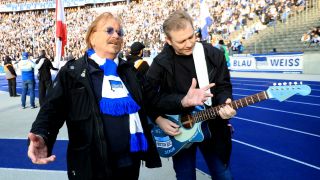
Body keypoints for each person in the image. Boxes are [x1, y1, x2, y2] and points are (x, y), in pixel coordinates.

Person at [27, 12, 161, 180]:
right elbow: (51, 112)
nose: (116, 36)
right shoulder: (72, 73)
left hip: (128, 165)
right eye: (109, 30)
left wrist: (183, 100)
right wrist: (42, 135)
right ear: (92, 37)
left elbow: (154, 101)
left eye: (120, 32)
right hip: (89, 168)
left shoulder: (130, 72)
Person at [146, 10, 236, 180]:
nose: (189, 43)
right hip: (179, 129)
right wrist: (159, 118)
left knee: (223, 174)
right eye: (181, 41)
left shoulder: (212, 54)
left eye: (191, 36)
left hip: (213, 127)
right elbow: (147, 96)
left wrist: (226, 101)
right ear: (169, 41)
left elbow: (224, 86)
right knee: (185, 176)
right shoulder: (160, 63)